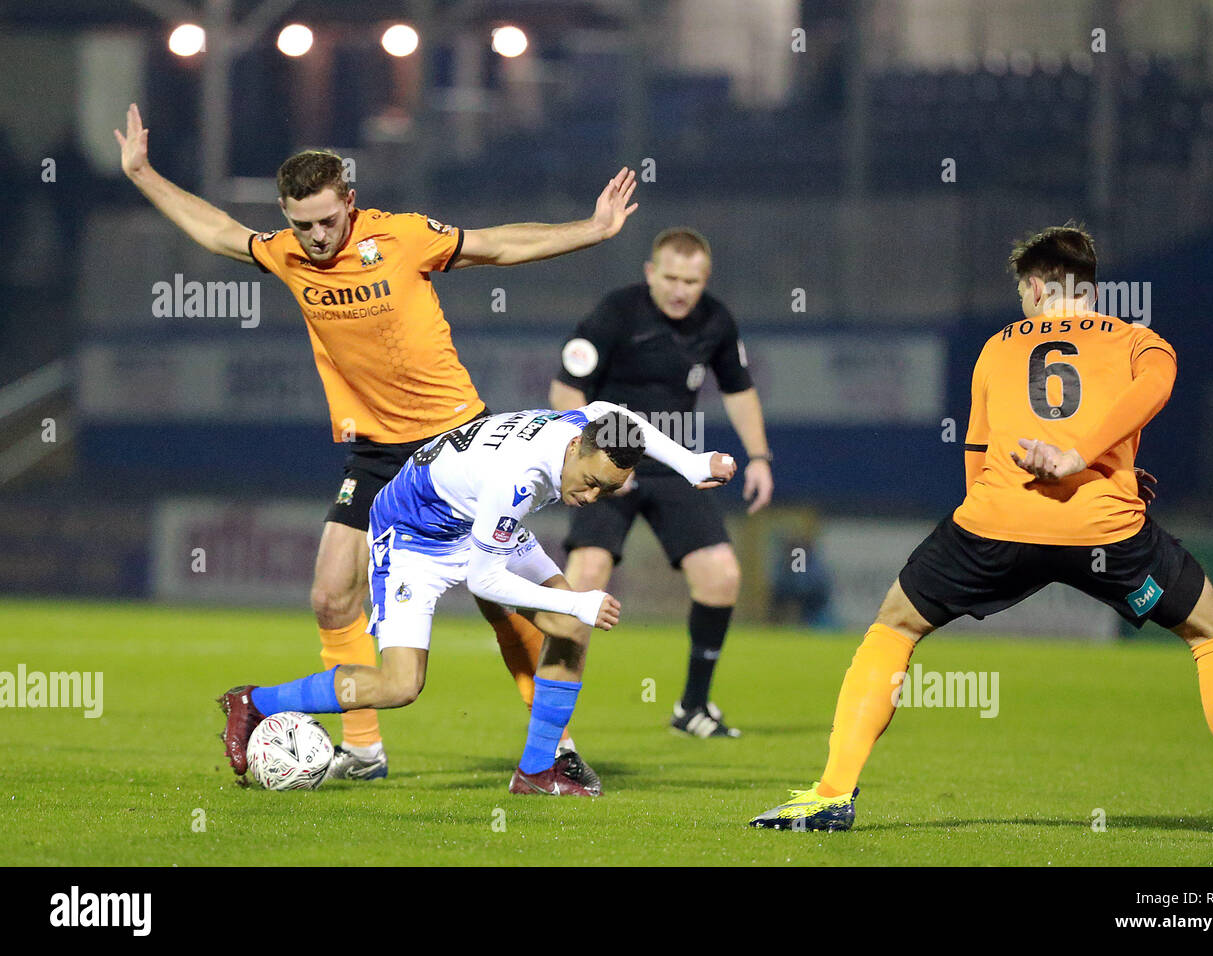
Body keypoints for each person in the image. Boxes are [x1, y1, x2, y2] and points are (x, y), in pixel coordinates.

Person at [116, 104, 638, 781]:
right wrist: (143, 173)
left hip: (455, 440)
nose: (314, 237)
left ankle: (552, 752)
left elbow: (498, 244)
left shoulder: (403, 237)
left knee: (505, 603)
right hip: (377, 453)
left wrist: (592, 231)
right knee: (332, 595)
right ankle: (363, 752)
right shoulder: (288, 253)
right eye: (300, 224)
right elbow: (218, 231)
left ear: (350, 202)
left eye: (327, 221)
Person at [750, 224, 1213, 842]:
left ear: (1037, 286)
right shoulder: (1135, 339)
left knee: (895, 624)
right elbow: (1157, 385)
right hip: (1103, 532)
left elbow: (977, 452)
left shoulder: (997, 346)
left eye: (1021, 293)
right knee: (1212, 630)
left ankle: (831, 796)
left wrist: (987, 521)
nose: (1022, 303)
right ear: (1088, 287)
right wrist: (1090, 459)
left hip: (996, 523)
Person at [218, 405, 737, 794]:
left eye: (608, 489)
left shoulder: (591, 427)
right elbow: (484, 580)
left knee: (570, 627)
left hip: (472, 518)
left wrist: (692, 464)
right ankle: (254, 702)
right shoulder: (518, 477)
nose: (592, 497)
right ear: (576, 448)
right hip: (414, 533)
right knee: (401, 685)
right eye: (592, 483)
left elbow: (624, 419)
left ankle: (536, 771)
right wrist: (577, 602)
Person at [548, 228, 773, 738]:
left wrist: (758, 456)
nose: (679, 289)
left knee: (721, 575)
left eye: (691, 281)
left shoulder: (715, 321)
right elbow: (566, 388)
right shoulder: (615, 312)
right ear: (651, 272)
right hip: (606, 469)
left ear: (705, 280)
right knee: (584, 582)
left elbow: (739, 390)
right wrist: (599, 463)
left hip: (672, 466)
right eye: (670, 277)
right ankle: (556, 731)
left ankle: (692, 707)